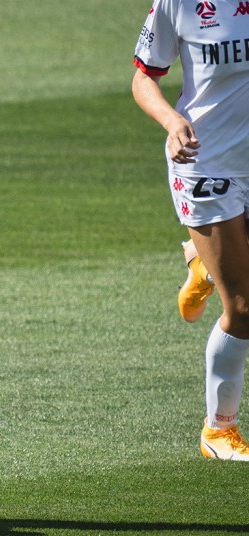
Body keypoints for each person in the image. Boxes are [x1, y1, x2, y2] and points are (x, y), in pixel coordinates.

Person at [132, 0, 249, 461]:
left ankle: (204, 265)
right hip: (206, 163)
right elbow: (144, 77)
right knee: (244, 307)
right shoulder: (179, 4)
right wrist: (171, 120)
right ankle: (219, 430)